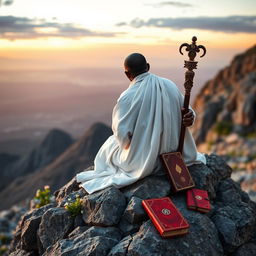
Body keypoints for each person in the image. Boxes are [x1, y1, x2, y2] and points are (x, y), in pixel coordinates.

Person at [76, 53, 206, 194]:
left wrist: (137, 143)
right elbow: (189, 113)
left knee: (109, 146)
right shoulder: (169, 84)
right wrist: (189, 117)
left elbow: (122, 135)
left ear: (127, 74)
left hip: (145, 164)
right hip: (174, 156)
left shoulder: (128, 96)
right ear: (148, 67)